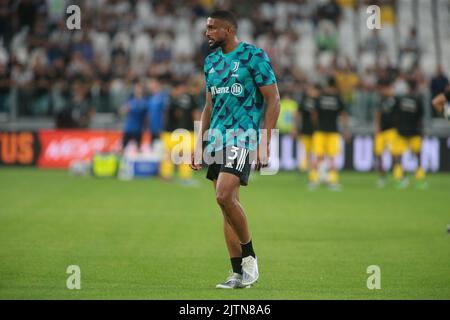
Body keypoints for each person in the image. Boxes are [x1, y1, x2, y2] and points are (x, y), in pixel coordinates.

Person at [190, 10, 280, 289]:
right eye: (207, 28)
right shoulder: (211, 62)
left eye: (212, 28)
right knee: (226, 206)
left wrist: (265, 142)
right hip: (216, 138)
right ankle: (237, 273)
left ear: (228, 30)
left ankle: (250, 257)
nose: (207, 33)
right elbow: (209, 105)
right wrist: (198, 143)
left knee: (223, 195)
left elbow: (273, 99)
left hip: (242, 136)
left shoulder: (254, 56)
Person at [309, 76, 350, 190]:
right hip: (333, 131)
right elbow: (343, 116)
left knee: (317, 157)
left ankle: (313, 180)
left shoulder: (320, 97)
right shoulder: (338, 98)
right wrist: (346, 130)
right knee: (332, 158)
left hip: (320, 131)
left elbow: (314, 114)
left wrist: (316, 125)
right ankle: (332, 181)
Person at [392, 79, 425, 189]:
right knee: (418, 156)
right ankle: (420, 180)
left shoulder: (400, 100)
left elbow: (395, 115)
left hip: (401, 132)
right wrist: (422, 133)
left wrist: (397, 128)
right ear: (415, 88)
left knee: (398, 156)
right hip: (415, 132)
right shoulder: (418, 101)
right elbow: (420, 119)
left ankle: (400, 180)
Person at [374, 78, 399, 187]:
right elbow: (378, 114)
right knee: (379, 154)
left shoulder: (396, 100)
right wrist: (377, 128)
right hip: (382, 132)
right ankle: (382, 177)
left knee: (395, 154)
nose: (383, 91)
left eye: (384, 89)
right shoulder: (381, 100)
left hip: (392, 131)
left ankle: (398, 176)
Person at [293, 82, 319, 172]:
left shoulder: (318, 101)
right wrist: (295, 128)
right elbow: (297, 114)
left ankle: (313, 169)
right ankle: (306, 168)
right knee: (306, 151)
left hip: (316, 131)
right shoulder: (305, 100)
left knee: (315, 151)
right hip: (305, 130)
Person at [120, 82, 148, 151]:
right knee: (123, 148)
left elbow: (141, 110)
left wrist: (131, 108)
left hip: (138, 129)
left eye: (139, 89)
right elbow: (122, 110)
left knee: (138, 149)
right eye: (136, 89)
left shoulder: (144, 101)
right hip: (128, 128)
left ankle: (139, 161)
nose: (137, 90)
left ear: (142, 90)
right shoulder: (130, 100)